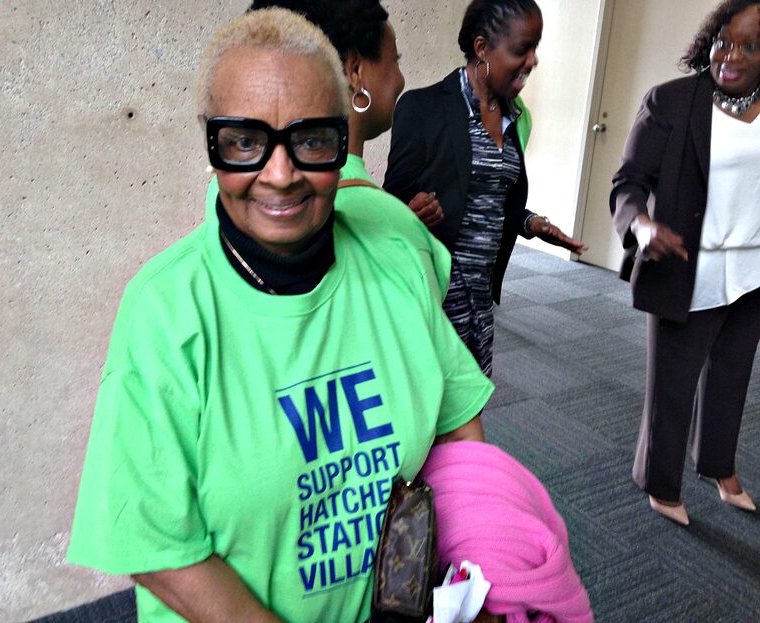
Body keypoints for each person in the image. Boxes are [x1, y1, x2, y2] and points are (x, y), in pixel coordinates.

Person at [67, 8, 495, 623]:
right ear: (210, 142)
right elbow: (160, 549)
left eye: (312, 139)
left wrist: (471, 572)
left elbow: (459, 433)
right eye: (244, 141)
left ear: (342, 138)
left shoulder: (394, 261)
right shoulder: (166, 310)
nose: (280, 174)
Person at [610, 0, 760, 526]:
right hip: (686, 267)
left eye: (749, 45)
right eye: (723, 40)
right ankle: (660, 482)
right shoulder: (672, 103)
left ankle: (717, 466)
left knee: (732, 378)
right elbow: (628, 183)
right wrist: (640, 225)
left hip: (752, 273)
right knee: (671, 387)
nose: (731, 55)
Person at [384, 0, 587, 376]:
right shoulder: (423, 108)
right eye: (521, 49)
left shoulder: (515, 117)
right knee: (431, 412)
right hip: (435, 296)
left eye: (535, 48)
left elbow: (491, 197)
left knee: (471, 402)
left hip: (481, 298)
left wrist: (531, 224)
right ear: (482, 48)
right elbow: (390, 207)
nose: (532, 60)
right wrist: (409, 214)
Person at [205, 0, 451, 301]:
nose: (280, 177)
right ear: (355, 70)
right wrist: (401, 229)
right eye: (395, 59)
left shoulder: (224, 192)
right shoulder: (402, 235)